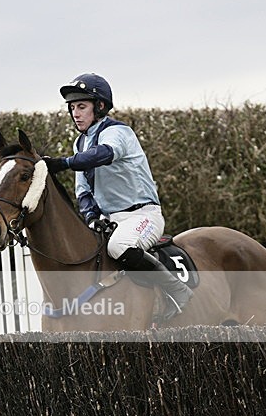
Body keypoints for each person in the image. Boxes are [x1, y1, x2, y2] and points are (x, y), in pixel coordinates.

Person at [43, 72, 192, 321]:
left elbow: (103, 154)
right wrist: (91, 217)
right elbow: (83, 192)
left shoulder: (119, 132)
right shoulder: (80, 143)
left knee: (118, 246)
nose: (75, 113)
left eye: (81, 106)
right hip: (111, 220)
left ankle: (178, 291)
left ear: (100, 106)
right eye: (72, 108)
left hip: (143, 215)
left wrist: (63, 163)